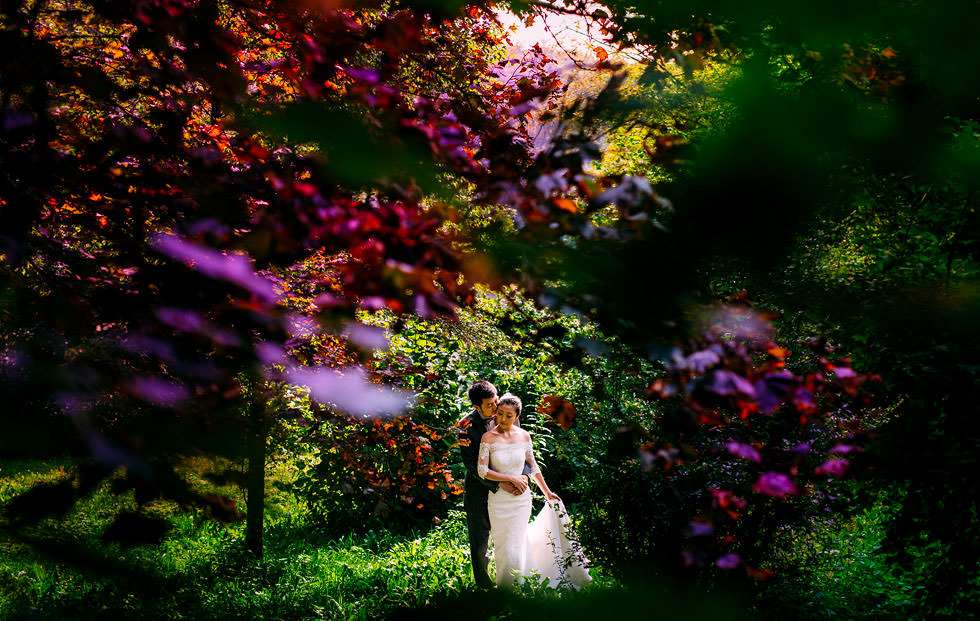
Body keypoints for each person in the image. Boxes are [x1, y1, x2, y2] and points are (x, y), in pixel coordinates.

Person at [477, 393, 591, 589]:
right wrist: (511, 478)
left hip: (521, 501)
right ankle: (507, 588)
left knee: (519, 542)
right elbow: (482, 470)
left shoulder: (524, 436)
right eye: (500, 414)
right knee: (505, 545)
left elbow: (533, 465)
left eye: (509, 415)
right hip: (499, 501)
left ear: (517, 417)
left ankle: (523, 584)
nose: (503, 419)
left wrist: (547, 491)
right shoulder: (488, 437)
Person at [458, 380, 531, 589]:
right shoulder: (465, 427)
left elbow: (522, 448)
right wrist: (499, 484)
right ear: (476, 407)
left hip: (512, 487)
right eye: (490, 404)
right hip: (480, 489)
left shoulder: (507, 412)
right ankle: (484, 585)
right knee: (480, 540)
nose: (496, 406)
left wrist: (524, 476)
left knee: (509, 535)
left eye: (496, 399)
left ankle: (513, 577)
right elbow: (472, 465)